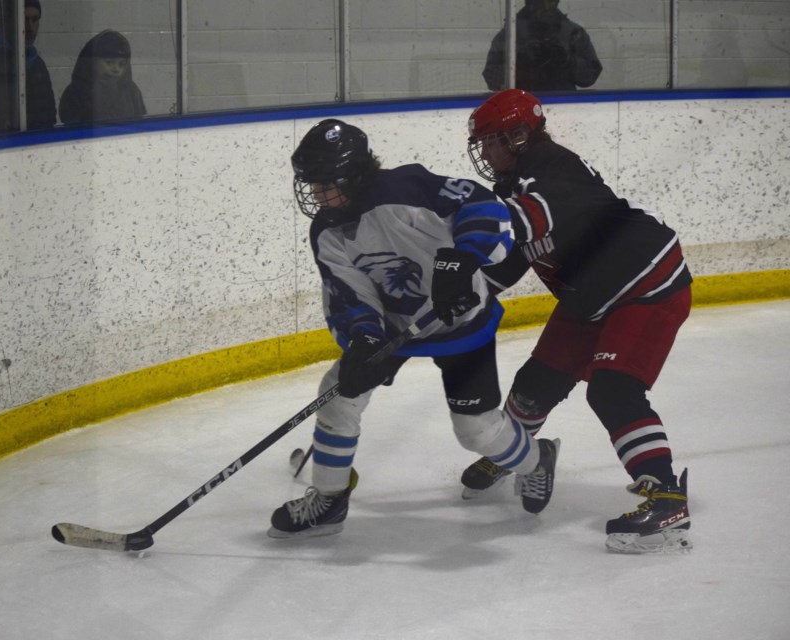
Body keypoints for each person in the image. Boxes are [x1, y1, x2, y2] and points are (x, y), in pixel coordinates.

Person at [267, 118, 561, 539]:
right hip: (394, 330)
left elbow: (484, 207)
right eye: (310, 184)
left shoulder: (407, 188)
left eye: (323, 183)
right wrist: (364, 337)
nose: (314, 194)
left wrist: (463, 258)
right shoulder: (328, 231)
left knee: (475, 430)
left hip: (461, 320)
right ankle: (329, 502)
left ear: (352, 175)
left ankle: (537, 459)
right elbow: (349, 295)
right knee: (338, 399)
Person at [452, 89, 692, 554]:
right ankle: (519, 456)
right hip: (590, 295)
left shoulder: (554, 165)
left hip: (645, 284)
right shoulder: (517, 184)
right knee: (532, 385)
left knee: (613, 388)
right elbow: (509, 261)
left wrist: (468, 242)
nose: (484, 152)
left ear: (518, 136)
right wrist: (457, 294)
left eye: (490, 141)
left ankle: (665, 496)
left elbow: (529, 216)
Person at [0, 0, 56, 136]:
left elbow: (49, 117)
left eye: (35, 19)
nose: (30, 28)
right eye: (23, 19)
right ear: (7, 22)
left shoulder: (38, 66)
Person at [482, 0, 602, 92]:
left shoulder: (572, 33)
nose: (548, 5)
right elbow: (491, 76)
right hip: (523, 107)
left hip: (563, 105)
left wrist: (568, 60)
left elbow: (591, 75)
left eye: (552, 0)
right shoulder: (511, 33)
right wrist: (518, 61)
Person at [59, 30, 147, 125]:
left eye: (121, 64)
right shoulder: (76, 91)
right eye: (109, 62)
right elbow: (71, 125)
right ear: (92, 62)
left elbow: (140, 122)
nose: (116, 69)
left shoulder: (131, 90)